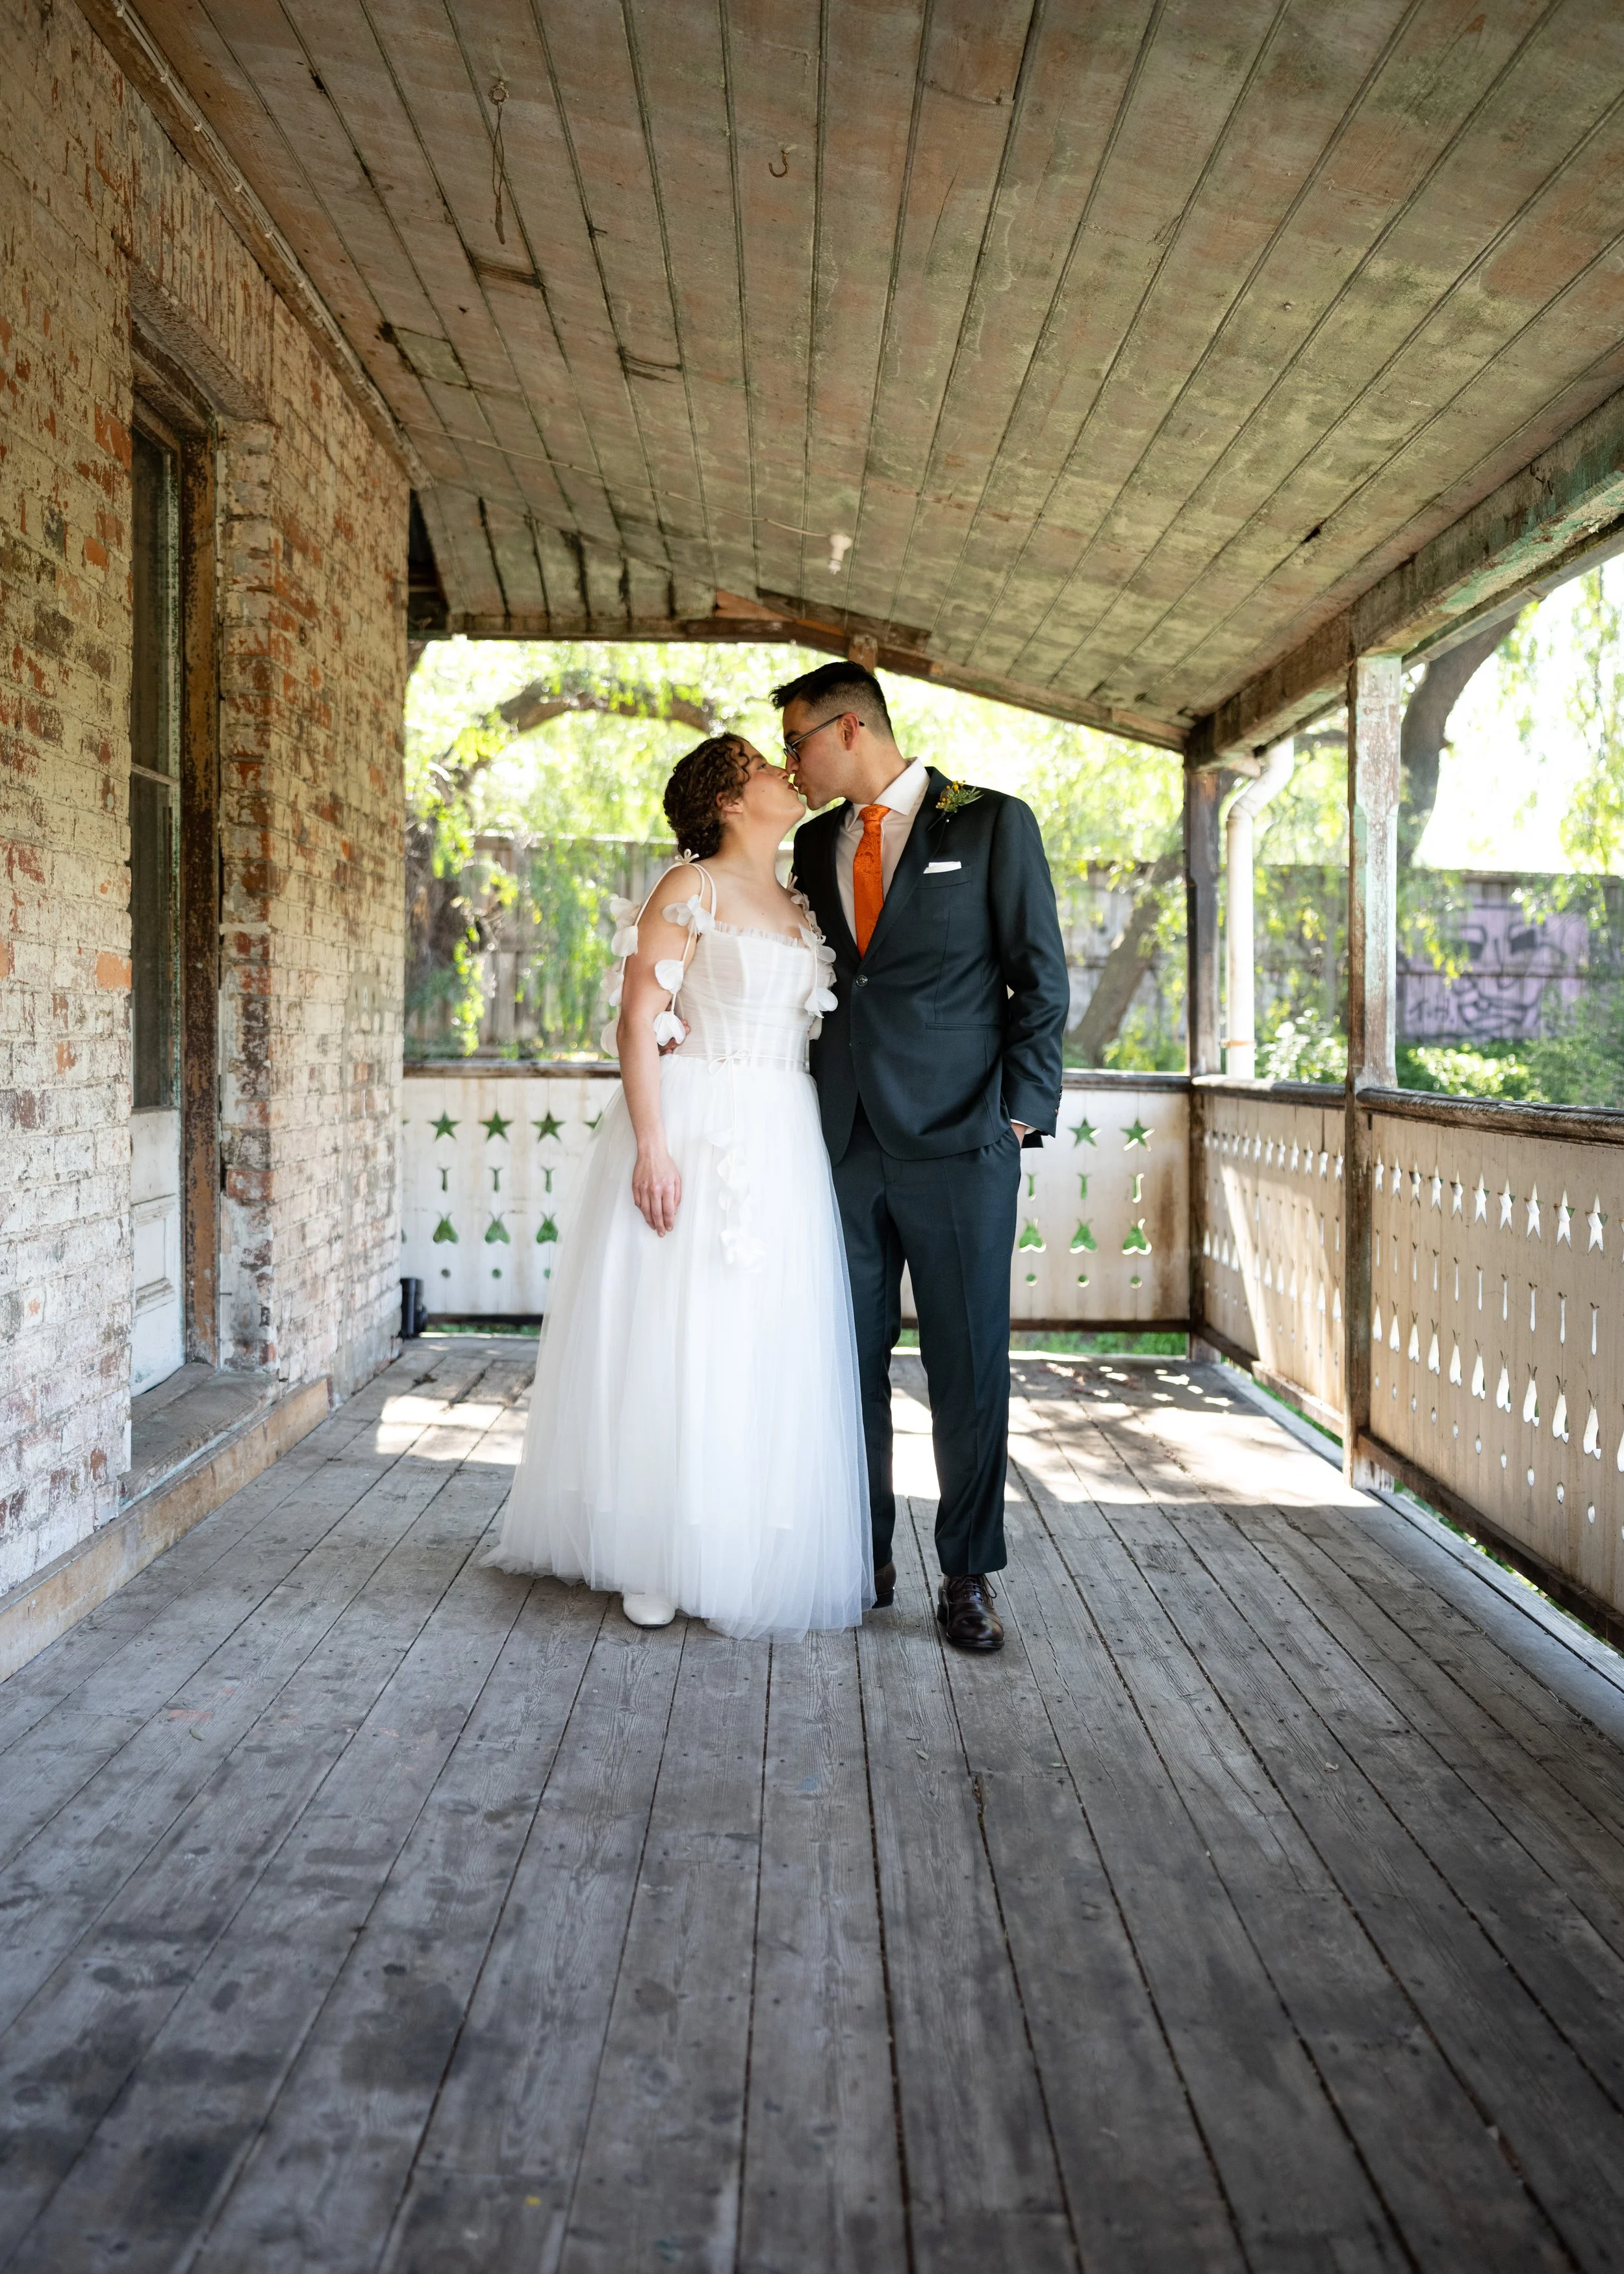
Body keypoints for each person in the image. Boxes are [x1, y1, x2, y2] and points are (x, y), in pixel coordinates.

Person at [485, 734, 871, 1639]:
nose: (787, 773)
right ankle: (655, 1548)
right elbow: (637, 1020)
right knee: (678, 1326)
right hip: (695, 1119)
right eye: (764, 768)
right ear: (730, 802)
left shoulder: (801, 901)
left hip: (784, 1129)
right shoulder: (686, 889)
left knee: (760, 1332)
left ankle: (742, 1533)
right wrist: (652, 1146)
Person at [780, 661, 1069, 1654]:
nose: (792, 763)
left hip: (962, 1144)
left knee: (966, 1368)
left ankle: (968, 1575)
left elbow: (1041, 981)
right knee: (845, 1365)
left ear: (849, 729)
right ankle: (862, 1557)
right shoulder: (815, 846)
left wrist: (1019, 1118)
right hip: (845, 1142)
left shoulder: (991, 823)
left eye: (798, 742)